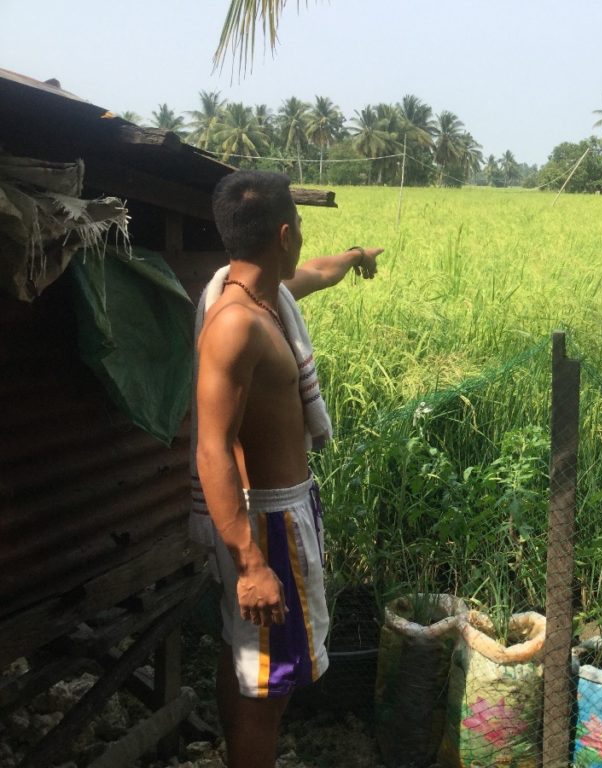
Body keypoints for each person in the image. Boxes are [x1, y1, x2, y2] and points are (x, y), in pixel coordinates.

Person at [191, 170, 383, 768]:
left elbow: (319, 271)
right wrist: (252, 564)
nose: (302, 237)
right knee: (268, 692)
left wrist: (356, 256)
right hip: (267, 527)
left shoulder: (265, 296)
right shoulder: (235, 325)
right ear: (283, 234)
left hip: (281, 517)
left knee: (248, 663)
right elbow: (212, 449)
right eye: (298, 225)